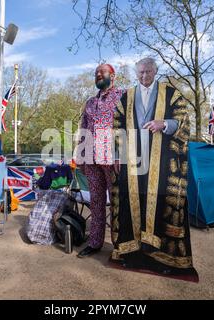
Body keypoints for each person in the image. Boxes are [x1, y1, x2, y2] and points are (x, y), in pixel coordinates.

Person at [110, 58, 198, 281]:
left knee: (159, 204)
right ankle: (131, 253)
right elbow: (117, 124)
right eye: (140, 72)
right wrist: (118, 153)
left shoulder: (171, 93)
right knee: (131, 203)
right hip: (133, 160)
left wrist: (165, 124)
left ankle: (162, 258)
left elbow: (183, 121)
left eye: (148, 71)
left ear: (156, 71)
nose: (144, 76)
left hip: (163, 158)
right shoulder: (127, 96)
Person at [75, 64, 123, 258]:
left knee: (119, 202)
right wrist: (80, 156)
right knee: (96, 202)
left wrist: (121, 154)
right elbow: (83, 130)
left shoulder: (122, 96)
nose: (97, 75)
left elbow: (127, 126)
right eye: (95, 73)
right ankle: (95, 242)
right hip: (92, 159)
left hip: (112, 158)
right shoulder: (89, 103)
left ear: (112, 75)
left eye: (101, 72)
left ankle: (120, 246)